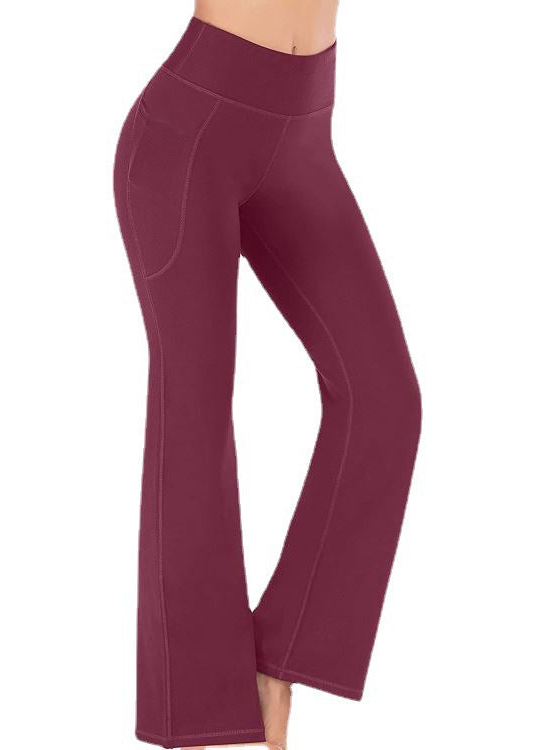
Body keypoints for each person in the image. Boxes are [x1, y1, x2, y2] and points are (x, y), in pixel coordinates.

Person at [113, 1, 422, 747]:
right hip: (193, 132)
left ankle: (276, 665)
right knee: (195, 421)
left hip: (305, 134)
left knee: (384, 400)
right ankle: (205, 723)